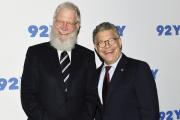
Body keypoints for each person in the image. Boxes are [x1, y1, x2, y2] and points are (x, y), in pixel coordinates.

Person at [21, 2, 98, 120]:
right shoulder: (35, 53)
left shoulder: (87, 56)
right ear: (54, 22)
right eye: (60, 21)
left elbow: (91, 97)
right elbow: (28, 95)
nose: (64, 27)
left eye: (69, 23)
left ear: (77, 26)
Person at [93, 22, 159, 120]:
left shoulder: (139, 69)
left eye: (111, 40)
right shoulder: (94, 75)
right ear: (96, 48)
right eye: (101, 43)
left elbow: (150, 113)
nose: (107, 46)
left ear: (119, 42)